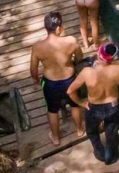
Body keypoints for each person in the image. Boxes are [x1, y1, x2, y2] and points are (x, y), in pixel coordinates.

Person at [29, 11, 83, 144]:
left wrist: (36, 79)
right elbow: (80, 57)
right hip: (70, 79)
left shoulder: (37, 47)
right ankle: (80, 130)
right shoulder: (71, 41)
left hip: (50, 83)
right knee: (75, 104)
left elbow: (33, 69)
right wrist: (71, 63)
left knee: (52, 110)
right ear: (59, 28)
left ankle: (56, 137)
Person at [69, 42, 119, 164]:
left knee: (92, 131)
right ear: (113, 57)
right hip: (112, 106)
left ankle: (100, 153)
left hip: (94, 107)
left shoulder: (87, 72)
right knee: (111, 131)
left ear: (98, 54)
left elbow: (70, 91)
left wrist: (81, 103)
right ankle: (111, 156)